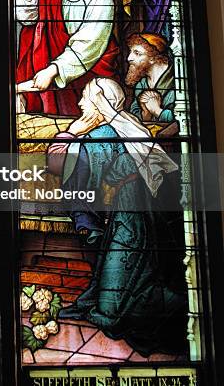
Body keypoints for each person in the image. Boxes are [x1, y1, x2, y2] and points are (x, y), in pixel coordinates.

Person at [49, 78, 186, 356]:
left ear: (101, 105)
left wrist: (70, 132)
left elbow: (55, 165)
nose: (78, 103)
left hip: (131, 223)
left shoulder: (97, 138)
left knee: (115, 306)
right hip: (138, 219)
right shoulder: (128, 127)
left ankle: (172, 306)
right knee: (119, 279)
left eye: (85, 98)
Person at [16, 0, 119, 116]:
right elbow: (27, 20)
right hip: (60, 73)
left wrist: (53, 70)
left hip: (92, 70)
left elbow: (89, 43)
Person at [125, 33, 175, 123]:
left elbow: (185, 117)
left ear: (152, 58)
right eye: (130, 52)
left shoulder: (177, 81)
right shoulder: (141, 84)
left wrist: (157, 111)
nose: (129, 58)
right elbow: (134, 114)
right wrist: (145, 114)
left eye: (137, 53)